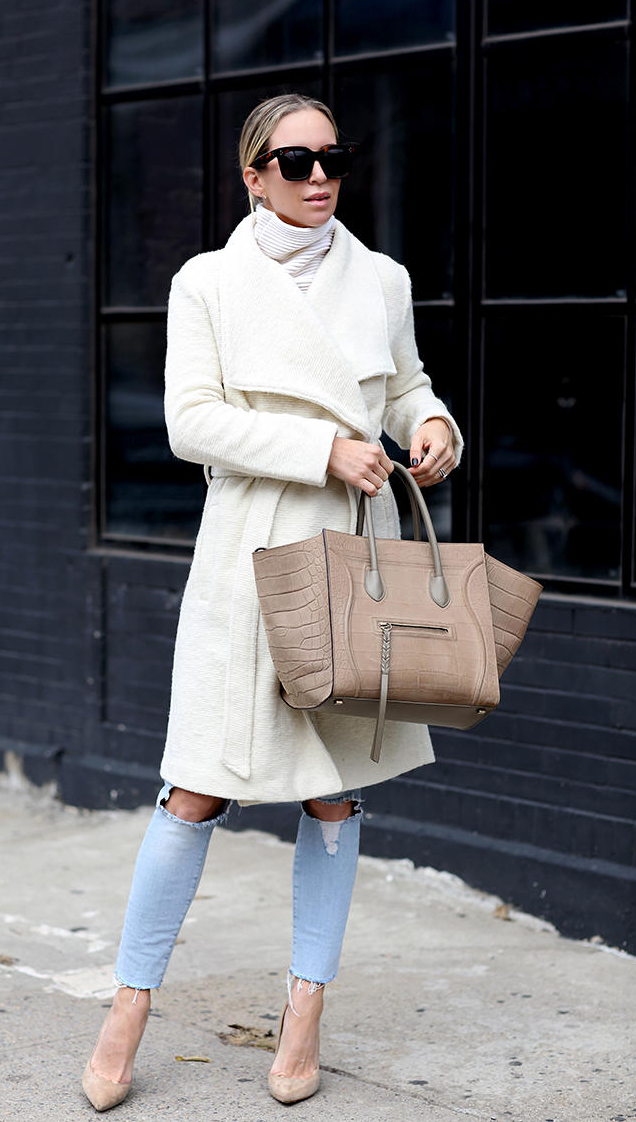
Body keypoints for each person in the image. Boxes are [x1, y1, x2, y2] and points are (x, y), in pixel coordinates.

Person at [82, 92, 462, 1112]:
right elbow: (190, 421)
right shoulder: (207, 281)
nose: (319, 175)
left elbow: (408, 387)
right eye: (294, 162)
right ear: (252, 176)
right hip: (249, 560)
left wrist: (432, 430)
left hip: (352, 555)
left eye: (332, 157)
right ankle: (128, 1004)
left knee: (334, 793)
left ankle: (304, 1011)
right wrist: (317, 448)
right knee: (194, 788)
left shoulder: (382, 279)